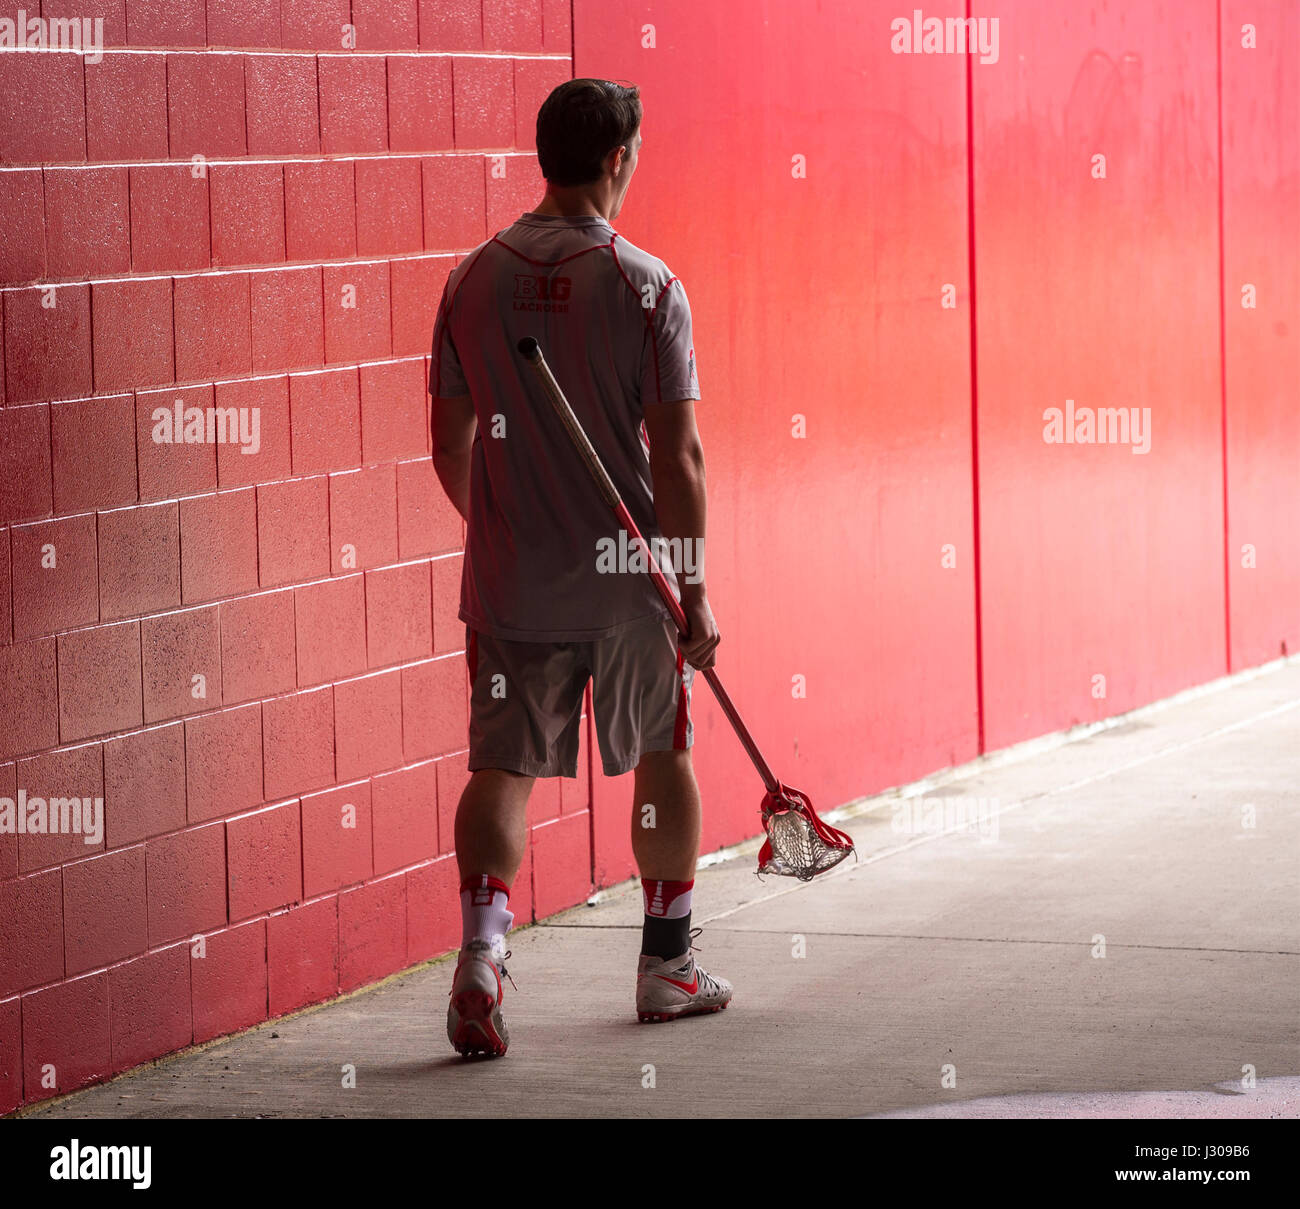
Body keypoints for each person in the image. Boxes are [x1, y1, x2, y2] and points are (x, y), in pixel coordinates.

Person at [429, 78, 732, 1058]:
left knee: (502, 766)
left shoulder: (473, 278)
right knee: (661, 756)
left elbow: (449, 441)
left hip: (515, 581)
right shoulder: (649, 286)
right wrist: (690, 589)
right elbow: (678, 457)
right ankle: (665, 967)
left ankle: (481, 957)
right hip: (631, 577)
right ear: (619, 159)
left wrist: (508, 527)